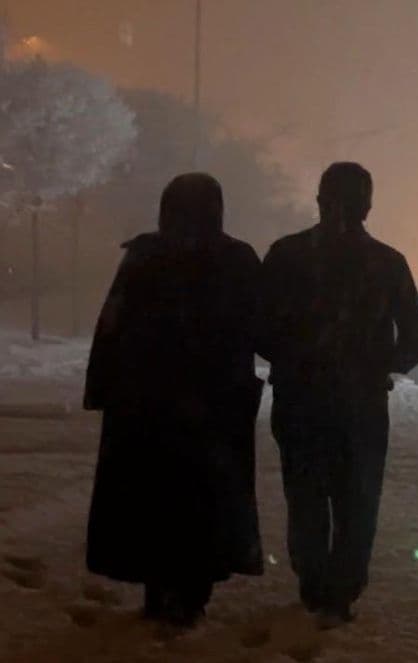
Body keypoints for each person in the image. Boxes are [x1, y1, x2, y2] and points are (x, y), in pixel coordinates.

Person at [83, 173, 264, 627]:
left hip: (145, 403)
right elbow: (259, 327)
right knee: (203, 500)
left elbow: (112, 325)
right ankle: (192, 591)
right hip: (214, 407)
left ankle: (157, 586)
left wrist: (103, 387)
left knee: (151, 497)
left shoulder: (145, 256)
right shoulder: (237, 260)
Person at [257, 162, 418, 628]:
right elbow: (417, 334)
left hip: (300, 399)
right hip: (361, 405)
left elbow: (257, 324)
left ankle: (312, 581)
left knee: (306, 494)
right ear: (368, 206)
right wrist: (380, 364)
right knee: (357, 499)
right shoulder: (387, 263)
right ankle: (342, 589)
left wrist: (292, 359)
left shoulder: (287, 255)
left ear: (319, 200)